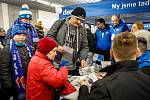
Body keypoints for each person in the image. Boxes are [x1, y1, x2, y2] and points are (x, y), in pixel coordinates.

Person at [78, 32, 150, 100]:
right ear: (137, 52)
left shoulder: (101, 87)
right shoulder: (147, 80)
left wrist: (84, 88)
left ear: (111, 53)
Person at [47, 7, 88, 75]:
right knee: (58, 83)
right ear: (71, 16)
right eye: (77, 19)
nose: (79, 22)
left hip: (73, 65)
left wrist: (83, 58)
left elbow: (84, 46)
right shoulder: (60, 23)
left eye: (81, 20)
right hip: (58, 63)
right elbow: (49, 36)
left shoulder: (82, 30)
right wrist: (57, 46)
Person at [0, 24, 33, 100]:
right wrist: (9, 86)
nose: (22, 37)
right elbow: (4, 70)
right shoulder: (6, 50)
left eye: (24, 35)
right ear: (13, 35)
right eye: (19, 34)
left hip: (28, 82)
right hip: (16, 84)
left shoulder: (28, 47)